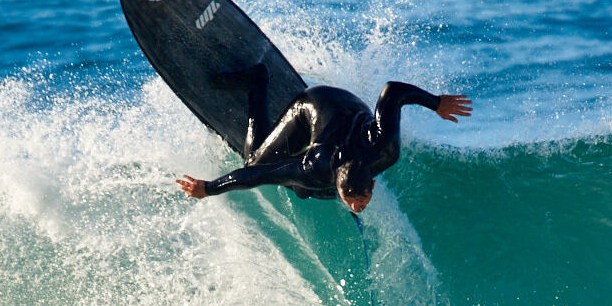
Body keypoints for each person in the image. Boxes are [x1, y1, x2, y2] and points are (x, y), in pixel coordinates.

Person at [176, 63, 471, 213]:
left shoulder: (386, 149)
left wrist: (436, 104)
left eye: (360, 199)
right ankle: (257, 82)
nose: (358, 206)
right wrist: (209, 187)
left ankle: (308, 187)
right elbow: (258, 174)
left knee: (309, 192)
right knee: (257, 161)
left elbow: (393, 92)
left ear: (371, 183)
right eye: (356, 200)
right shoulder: (315, 165)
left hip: (350, 108)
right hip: (315, 106)